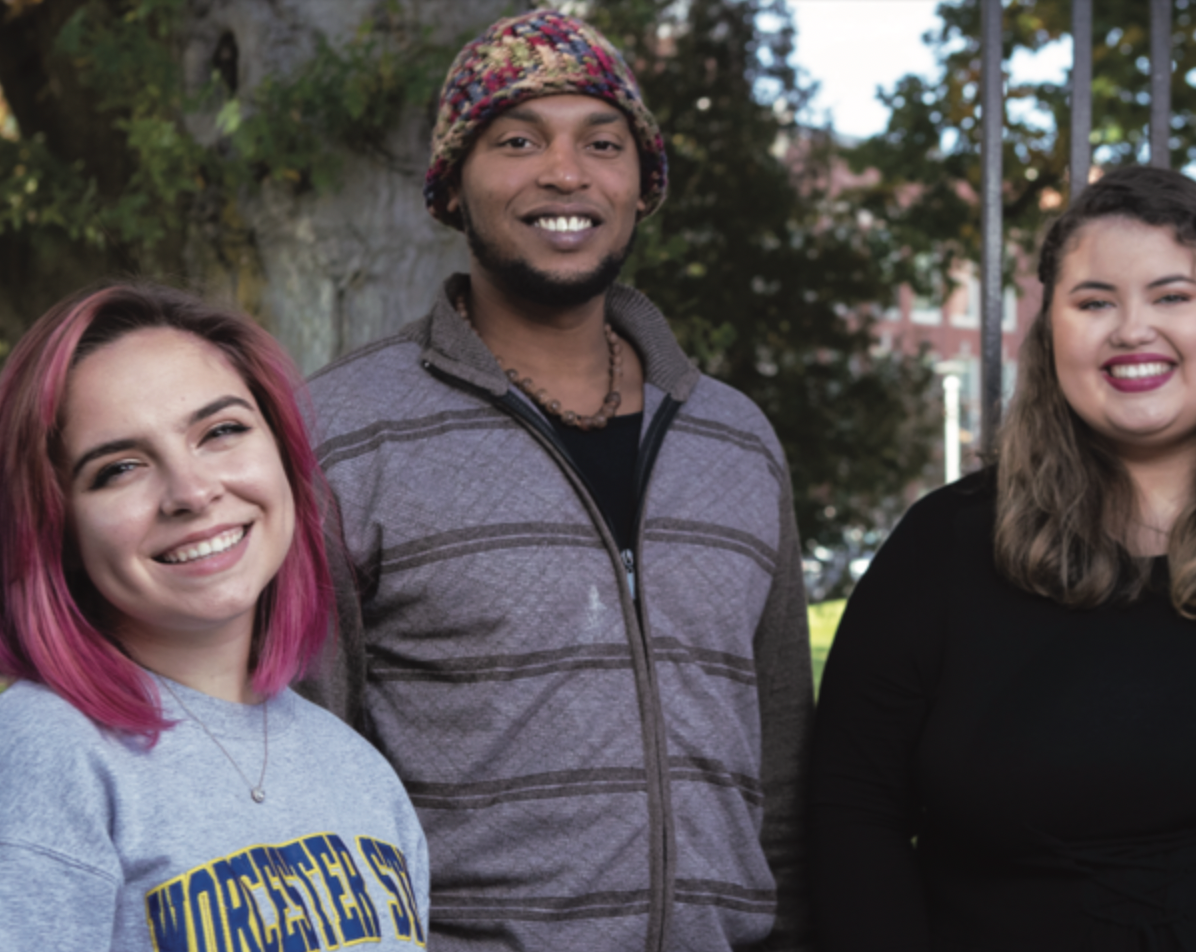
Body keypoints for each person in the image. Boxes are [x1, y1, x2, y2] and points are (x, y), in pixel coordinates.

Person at [301, 9, 813, 951]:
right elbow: (297, 753)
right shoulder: (340, 433)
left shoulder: (735, 439)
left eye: (603, 143)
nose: (565, 173)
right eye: (518, 139)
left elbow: (778, 756)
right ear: (452, 186)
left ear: (641, 185)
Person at [810, 165, 1196, 951]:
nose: (1132, 329)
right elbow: (851, 810)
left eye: (1172, 296)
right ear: (1051, 334)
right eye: (1094, 301)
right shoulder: (943, 545)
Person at [0, 283, 430, 951]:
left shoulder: (358, 771)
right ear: (58, 532)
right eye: (119, 468)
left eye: (221, 431)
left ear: (283, 454)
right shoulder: (42, 752)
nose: (192, 492)